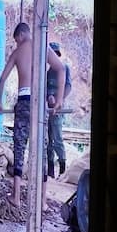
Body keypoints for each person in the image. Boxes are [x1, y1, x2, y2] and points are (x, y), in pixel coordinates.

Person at [0, 22, 65, 210]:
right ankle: (42, 202)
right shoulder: (43, 47)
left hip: (24, 101)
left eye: (16, 40)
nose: (17, 43)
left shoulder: (17, 52)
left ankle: (16, 197)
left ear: (20, 35)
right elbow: (61, 68)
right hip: (40, 103)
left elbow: (2, 78)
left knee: (19, 147)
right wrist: (59, 99)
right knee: (41, 150)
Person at [46, 41, 72, 178]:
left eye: (55, 54)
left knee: (57, 139)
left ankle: (62, 169)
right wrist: (48, 96)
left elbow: (68, 86)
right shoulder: (48, 72)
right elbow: (44, 89)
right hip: (48, 109)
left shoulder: (64, 68)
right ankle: (50, 169)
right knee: (48, 139)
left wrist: (59, 99)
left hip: (58, 109)